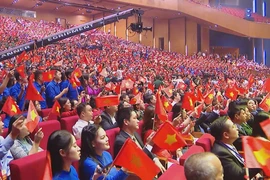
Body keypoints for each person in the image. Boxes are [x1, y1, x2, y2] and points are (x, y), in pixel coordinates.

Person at [114, 107, 166, 173]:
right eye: (135, 118)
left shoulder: (135, 133)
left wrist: (155, 158)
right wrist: (149, 145)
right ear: (126, 122)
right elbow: (137, 161)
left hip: (147, 168)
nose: (138, 121)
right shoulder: (121, 142)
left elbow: (142, 150)